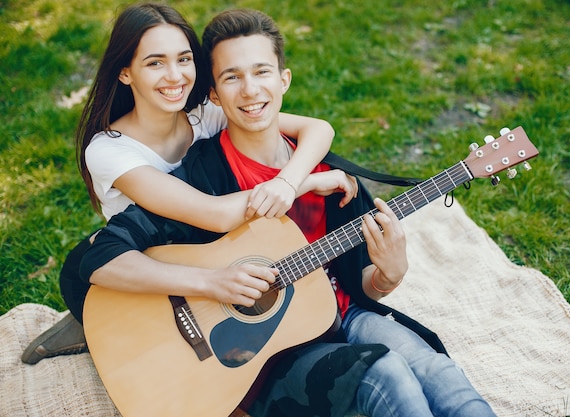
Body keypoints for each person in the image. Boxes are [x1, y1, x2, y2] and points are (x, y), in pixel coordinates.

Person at [78, 8, 497, 417]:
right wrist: (214, 281)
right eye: (231, 77)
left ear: (284, 80)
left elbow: (361, 283)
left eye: (261, 72)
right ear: (215, 95)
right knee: (385, 373)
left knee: (434, 368)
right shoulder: (196, 175)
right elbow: (100, 254)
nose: (249, 90)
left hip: (340, 312)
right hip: (259, 350)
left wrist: (389, 275)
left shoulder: (329, 175)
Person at [21, 3, 350, 365]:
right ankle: (87, 324)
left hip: (209, 250)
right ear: (125, 73)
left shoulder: (205, 115)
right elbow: (214, 215)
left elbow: (319, 128)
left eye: (184, 59)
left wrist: (288, 181)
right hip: (149, 264)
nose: (175, 76)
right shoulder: (110, 150)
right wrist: (309, 181)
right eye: (155, 63)